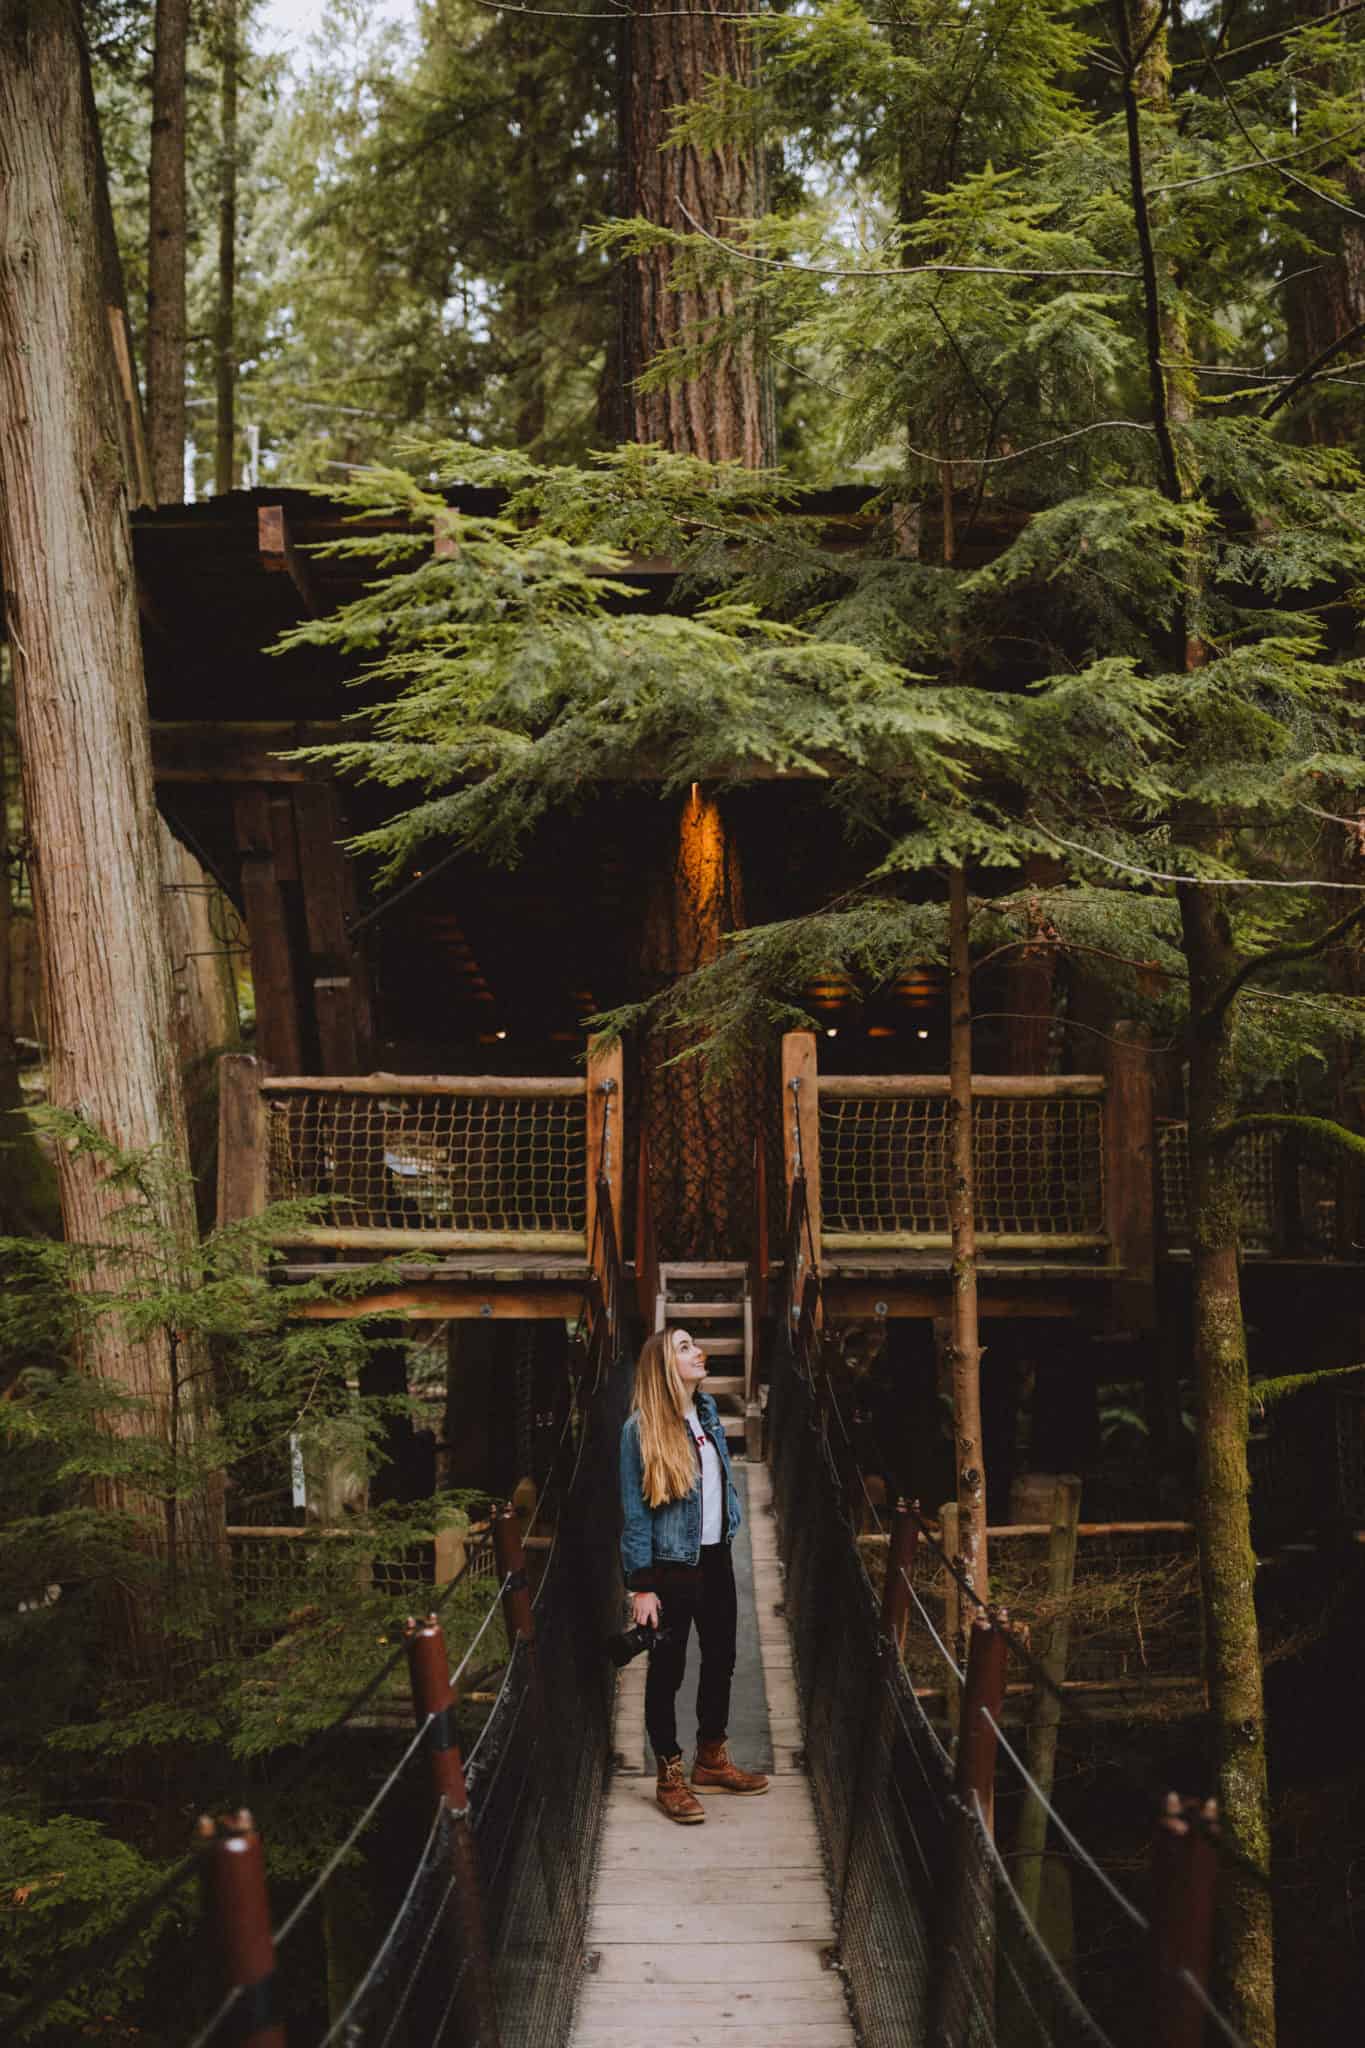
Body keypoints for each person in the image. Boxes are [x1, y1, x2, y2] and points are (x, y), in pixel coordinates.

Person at [618, 1326, 769, 1823]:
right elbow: (635, 1513)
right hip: (670, 1567)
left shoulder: (706, 1415)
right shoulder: (639, 1429)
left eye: (694, 1344)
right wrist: (640, 1585)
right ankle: (670, 1775)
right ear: (664, 1365)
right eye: (684, 1347)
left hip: (716, 1557)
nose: (698, 1351)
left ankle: (711, 1757)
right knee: (668, 1670)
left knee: (723, 1656)